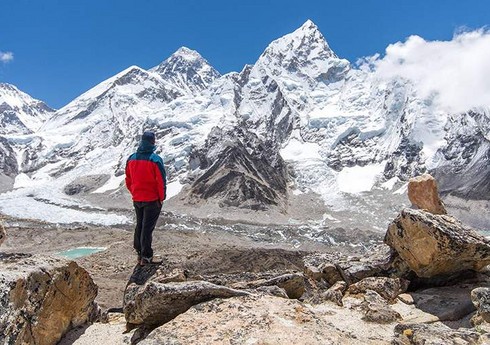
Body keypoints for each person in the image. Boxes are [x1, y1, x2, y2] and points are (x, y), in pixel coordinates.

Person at [125, 131, 167, 266]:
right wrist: (161, 198)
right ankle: (147, 257)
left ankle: (139, 254)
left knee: (140, 225)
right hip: (152, 200)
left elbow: (128, 180)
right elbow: (160, 181)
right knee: (147, 228)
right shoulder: (155, 159)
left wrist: (135, 192)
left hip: (137, 198)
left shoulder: (131, 158)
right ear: (152, 142)